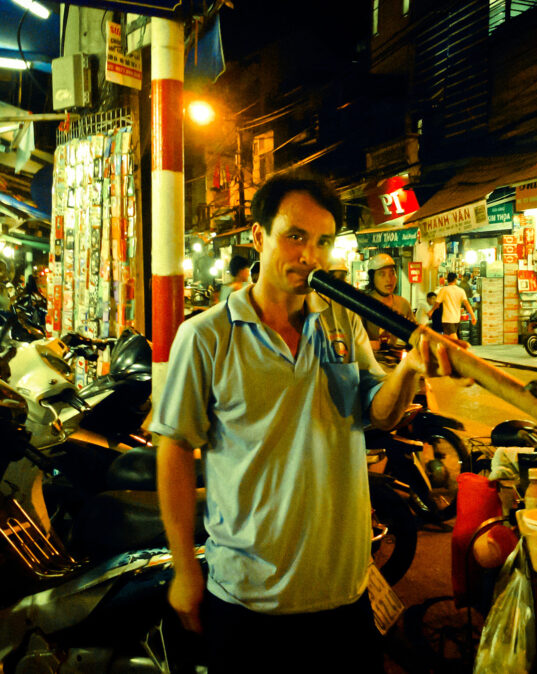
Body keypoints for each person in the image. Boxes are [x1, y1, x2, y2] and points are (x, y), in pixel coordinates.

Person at [152, 171, 460, 673]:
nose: (309, 257)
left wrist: (409, 368)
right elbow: (173, 451)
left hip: (344, 590)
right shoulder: (206, 336)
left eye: (322, 242)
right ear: (259, 237)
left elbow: (377, 413)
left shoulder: (342, 320)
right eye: (295, 236)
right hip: (249, 599)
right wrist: (185, 569)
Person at [363, 252, 415, 349]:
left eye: (392, 273)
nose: (389, 279)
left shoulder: (403, 304)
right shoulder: (364, 303)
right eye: (382, 274)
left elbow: (414, 337)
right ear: (372, 278)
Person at [436, 271, 477, 339]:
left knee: (451, 339)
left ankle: (455, 349)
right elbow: (467, 302)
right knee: (452, 339)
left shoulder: (444, 290)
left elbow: (437, 303)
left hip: (449, 318)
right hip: (454, 318)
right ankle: (457, 349)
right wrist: (472, 315)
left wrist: (431, 311)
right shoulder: (461, 289)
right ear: (456, 279)